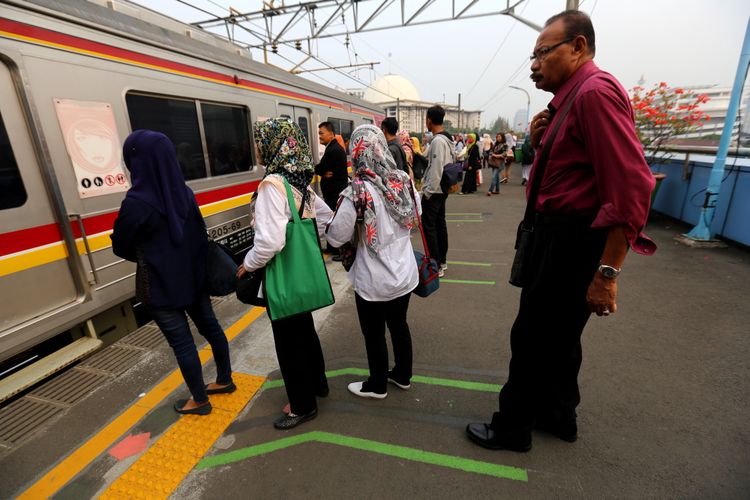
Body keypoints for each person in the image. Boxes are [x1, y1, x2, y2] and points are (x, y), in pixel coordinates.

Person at [466, 10, 656, 452]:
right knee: (562, 338)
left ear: (578, 47)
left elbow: (631, 187)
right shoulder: (570, 100)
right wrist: (540, 138)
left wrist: (608, 274)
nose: (534, 65)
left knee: (532, 336)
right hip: (559, 235)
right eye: (532, 56)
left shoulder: (593, 93)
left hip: (570, 240)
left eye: (542, 53)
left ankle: (512, 428)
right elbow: (571, 170)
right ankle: (558, 414)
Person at [111, 130, 234, 416]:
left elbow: (122, 247)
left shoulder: (136, 203)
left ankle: (200, 400)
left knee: (183, 344)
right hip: (194, 279)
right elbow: (197, 235)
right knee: (212, 329)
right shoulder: (185, 193)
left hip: (160, 286)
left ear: (136, 162)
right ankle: (225, 380)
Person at [238, 117, 334, 429]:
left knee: (289, 342)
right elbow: (325, 218)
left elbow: (270, 241)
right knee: (304, 331)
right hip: (302, 275)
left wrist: (248, 263)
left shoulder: (271, 185)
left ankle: (302, 405)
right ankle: (318, 385)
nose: (257, 147)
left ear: (273, 143)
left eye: (259, 140)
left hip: (283, 278)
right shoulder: (299, 181)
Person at [325, 124, 419, 399]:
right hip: (404, 273)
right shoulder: (402, 180)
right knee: (399, 324)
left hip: (373, 280)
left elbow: (335, 236)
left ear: (356, 152)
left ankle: (377, 384)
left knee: (374, 332)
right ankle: (402, 375)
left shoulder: (356, 191)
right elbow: (417, 214)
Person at [421, 105, 453, 278]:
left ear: (429, 120)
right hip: (443, 188)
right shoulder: (447, 139)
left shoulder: (438, 141)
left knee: (429, 226)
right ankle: (442, 260)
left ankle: (435, 263)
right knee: (440, 224)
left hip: (435, 190)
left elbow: (436, 169)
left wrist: (427, 192)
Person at [315, 121, 349, 260]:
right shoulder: (335, 148)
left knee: (334, 220)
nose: (319, 137)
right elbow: (323, 169)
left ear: (331, 133)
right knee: (334, 219)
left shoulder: (332, 150)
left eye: (322, 133)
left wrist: (321, 171)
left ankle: (338, 250)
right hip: (336, 192)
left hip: (334, 192)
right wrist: (323, 172)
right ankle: (334, 248)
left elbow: (320, 168)